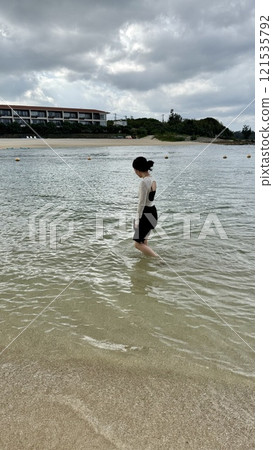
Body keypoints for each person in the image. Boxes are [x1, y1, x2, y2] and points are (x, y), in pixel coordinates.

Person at [132, 156, 158, 257]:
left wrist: (137, 220)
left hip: (145, 214)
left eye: (134, 170)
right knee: (144, 241)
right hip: (153, 212)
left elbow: (141, 203)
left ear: (137, 170)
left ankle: (158, 260)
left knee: (137, 244)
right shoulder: (153, 179)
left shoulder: (143, 182)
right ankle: (145, 264)